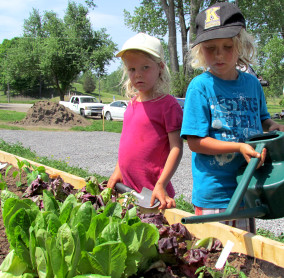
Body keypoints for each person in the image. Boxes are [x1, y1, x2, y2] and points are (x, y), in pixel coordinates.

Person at [180, 2, 284, 232]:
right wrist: (238, 148)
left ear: (241, 45)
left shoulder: (252, 84)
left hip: (249, 186)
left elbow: (263, 119)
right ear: (199, 51)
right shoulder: (200, 87)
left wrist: (273, 125)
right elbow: (196, 143)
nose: (219, 55)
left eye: (227, 46)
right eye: (210, 48)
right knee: (214, 258)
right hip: (215, 193)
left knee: (243, 260)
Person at [107, 33, 183, 210]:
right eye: (132, 69)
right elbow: (126, 144)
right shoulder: (132, 104)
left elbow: (176, 148)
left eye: (145, 67)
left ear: (161, 68)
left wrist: (162, 184)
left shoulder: (168, 105)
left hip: (153, 193)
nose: (138, 74)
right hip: (128, 189)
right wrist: (118, 170)